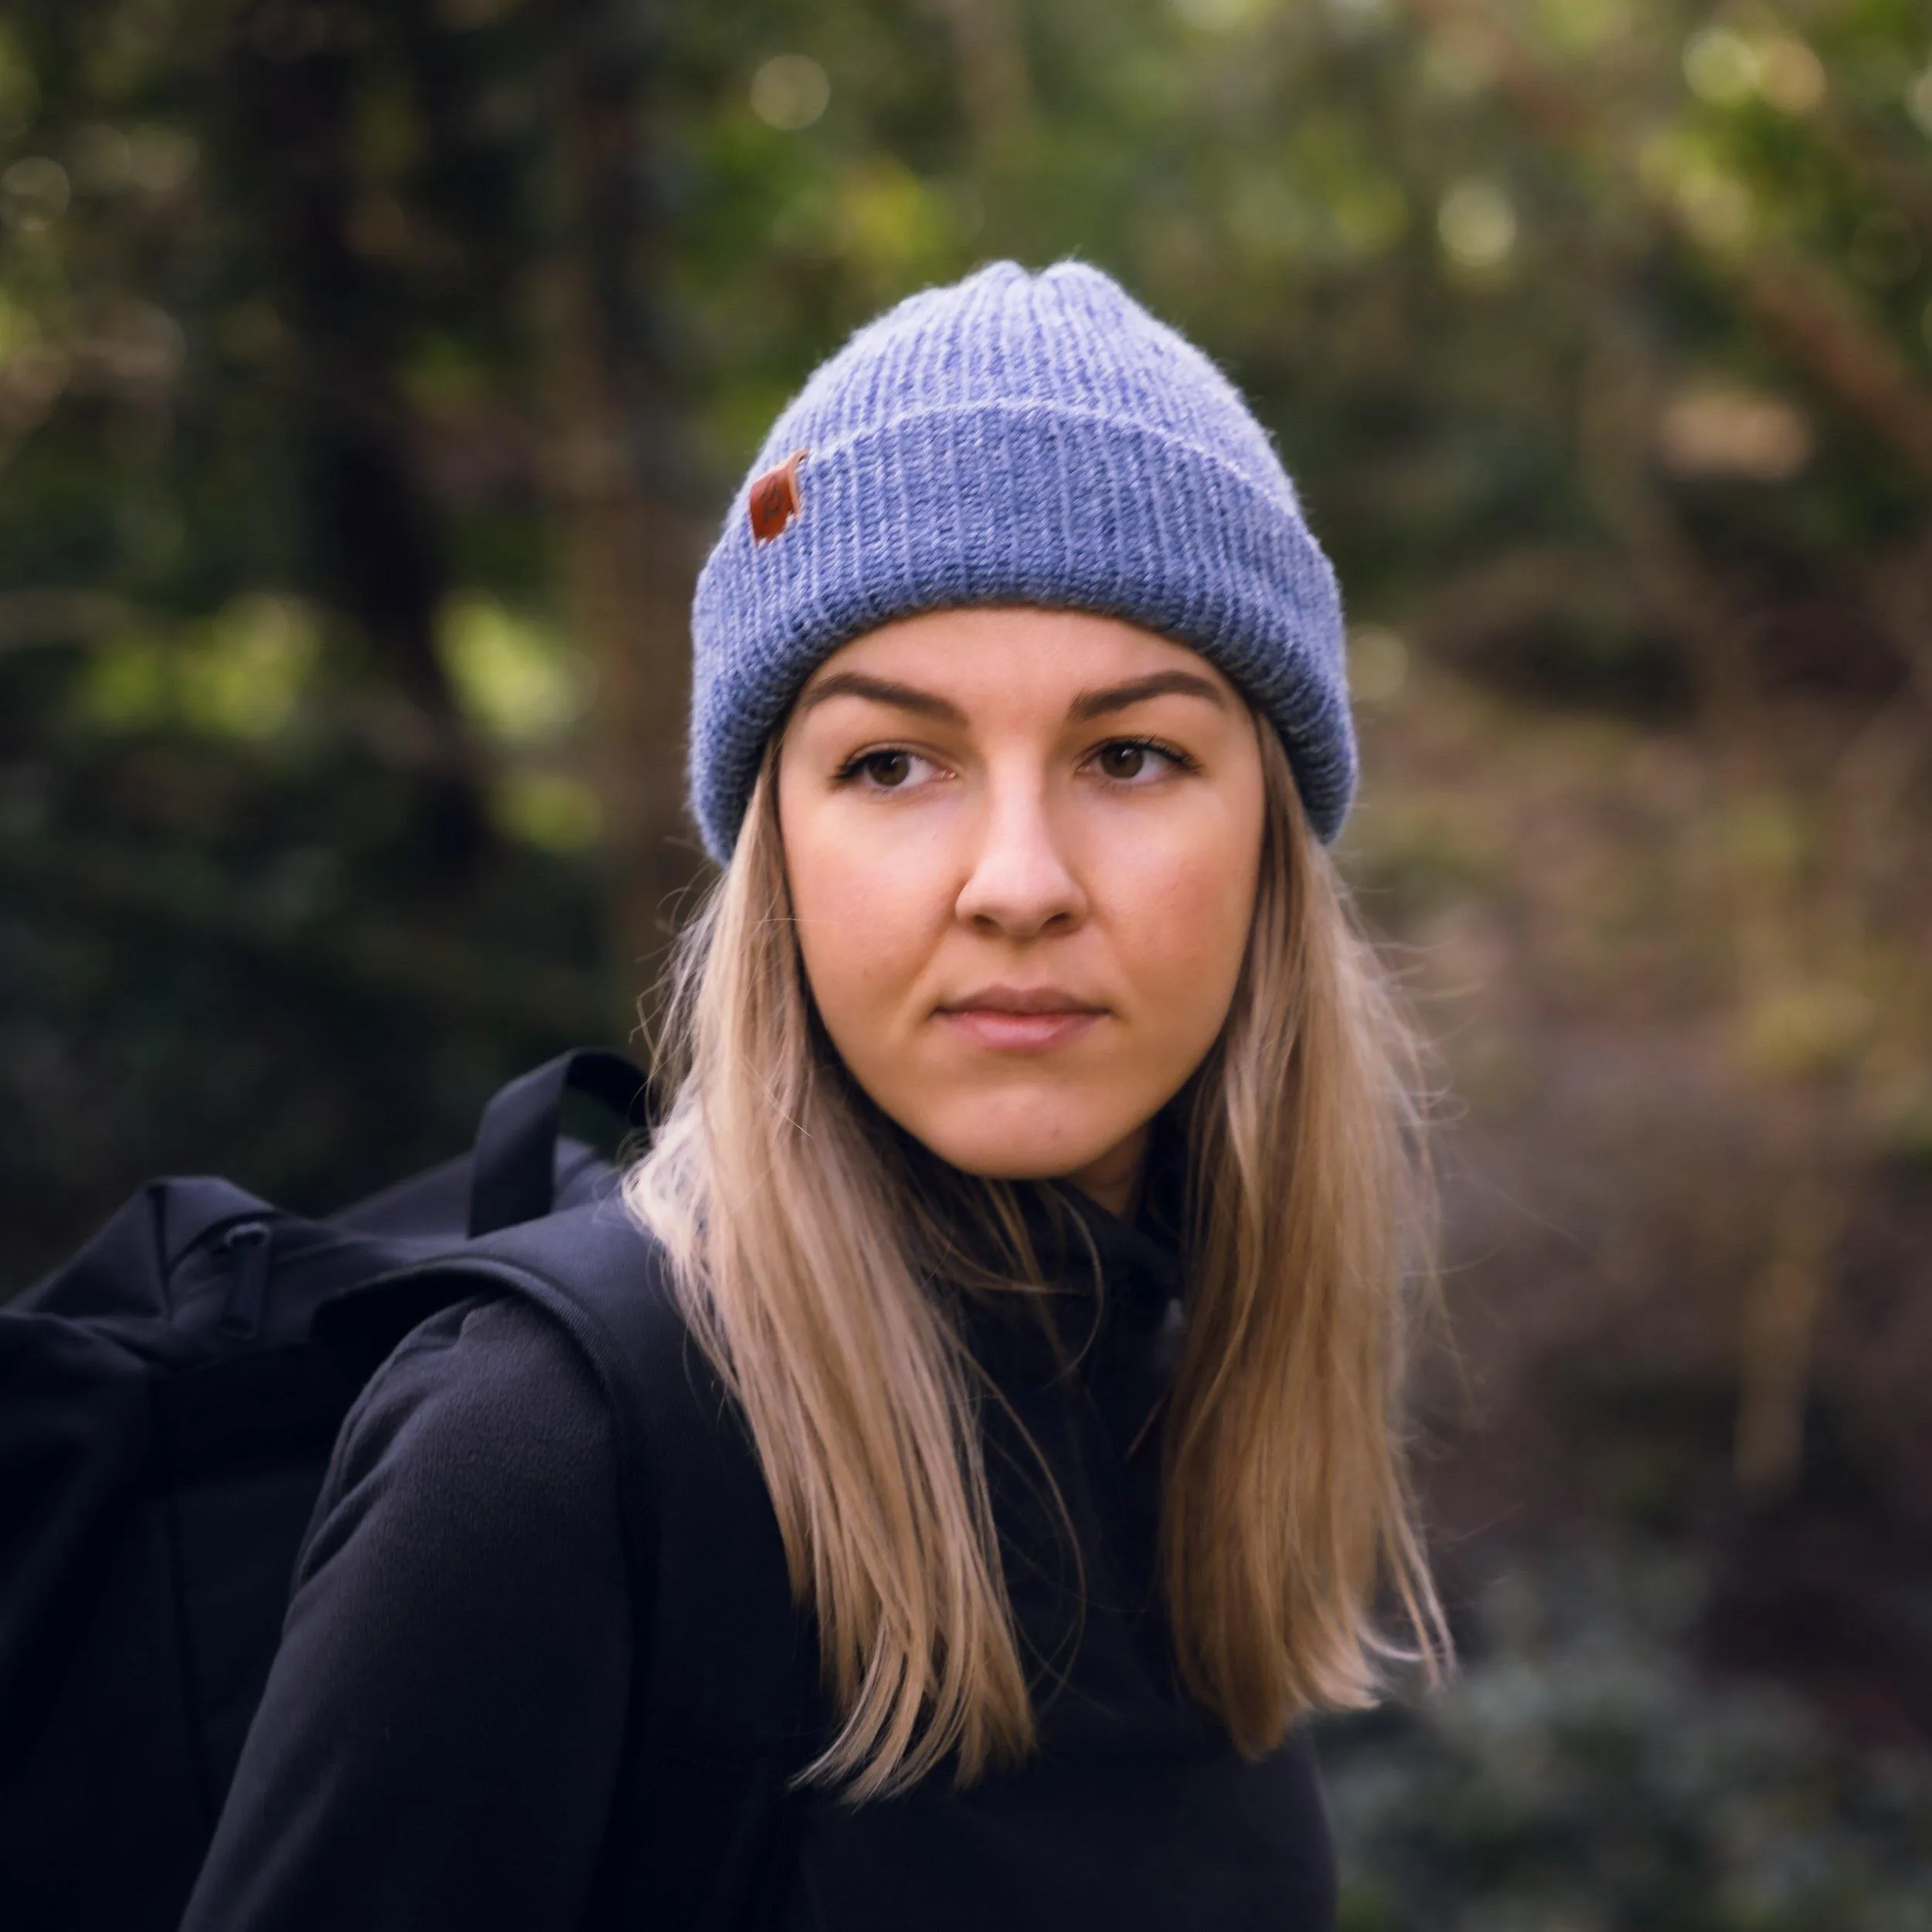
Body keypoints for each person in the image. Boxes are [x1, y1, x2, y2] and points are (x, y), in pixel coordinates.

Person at [180, 258, 1448, 1931]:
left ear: (1270, 851)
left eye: (1130, 754)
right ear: (772, 854)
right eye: (889, 762)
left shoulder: (1183, 1396)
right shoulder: (541, 1452)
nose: (1015, 879)